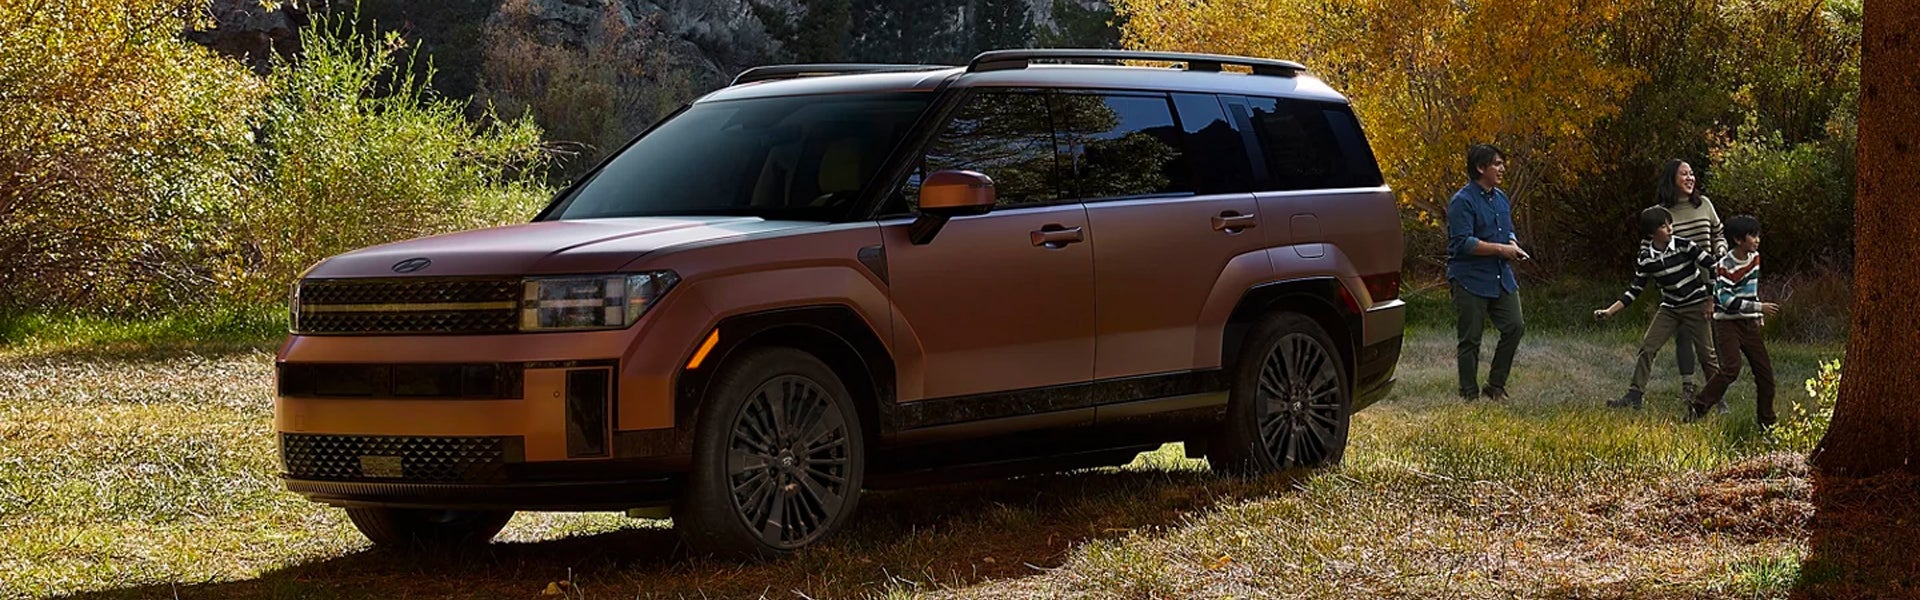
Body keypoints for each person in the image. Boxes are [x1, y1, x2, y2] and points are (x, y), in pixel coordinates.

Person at [1595, 206, 1719, 410]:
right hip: (1670, 307)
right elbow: (1635, 289)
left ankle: (1717, 399)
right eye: (1663, 225)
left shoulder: (1684, 246)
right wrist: (1610, 311)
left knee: (1707, 355)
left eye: (1670, 223)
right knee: (1647, 348)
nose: (1670, 228)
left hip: (1696, 304)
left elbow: (1713, 266)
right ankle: (1634, 396)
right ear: (1652, 233)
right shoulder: (1646, 258)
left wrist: (1710, 299)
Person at [1446, 144, 1528, 401]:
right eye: (1497, 164)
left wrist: (1513, 245)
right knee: (1471, 339)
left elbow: (1508, 229)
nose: (1502, 168)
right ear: (1480, 168)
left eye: (1502, 163)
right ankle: (1469, 394)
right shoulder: (1462, 201)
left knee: (1515, 326)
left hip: (1501, 277)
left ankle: (1495, 386)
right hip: (1470, 279)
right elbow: (1463, 243)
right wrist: (1502, 250)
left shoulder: (1501, 197)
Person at [1685, 215, 1781, 425]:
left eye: (1758, 235)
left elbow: (1751, 289)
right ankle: (1698, 407)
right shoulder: (1724, 266)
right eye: (1752, 236)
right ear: (1738, 240)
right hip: (1726, 323)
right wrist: (1759, 307)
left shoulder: (1755, 258)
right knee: (1731, 368)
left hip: (1747, 322)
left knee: (1765, 374)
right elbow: (1726, 300)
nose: (1757, 240)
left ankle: (1767, 423)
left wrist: (1756, 315)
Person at [1652, 159, 1727, 406]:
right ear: (1672, 179)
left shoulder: (1704, 204)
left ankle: (1715, 392)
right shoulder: (1663, 213)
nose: (1690, 178)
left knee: (1709, 338)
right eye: (1684, 174)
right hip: (1681, 283)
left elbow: (1718, 232)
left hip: (1710, 279)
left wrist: (1721, 250)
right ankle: (1688, 385)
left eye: (1692, 173)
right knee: (1683, 334)